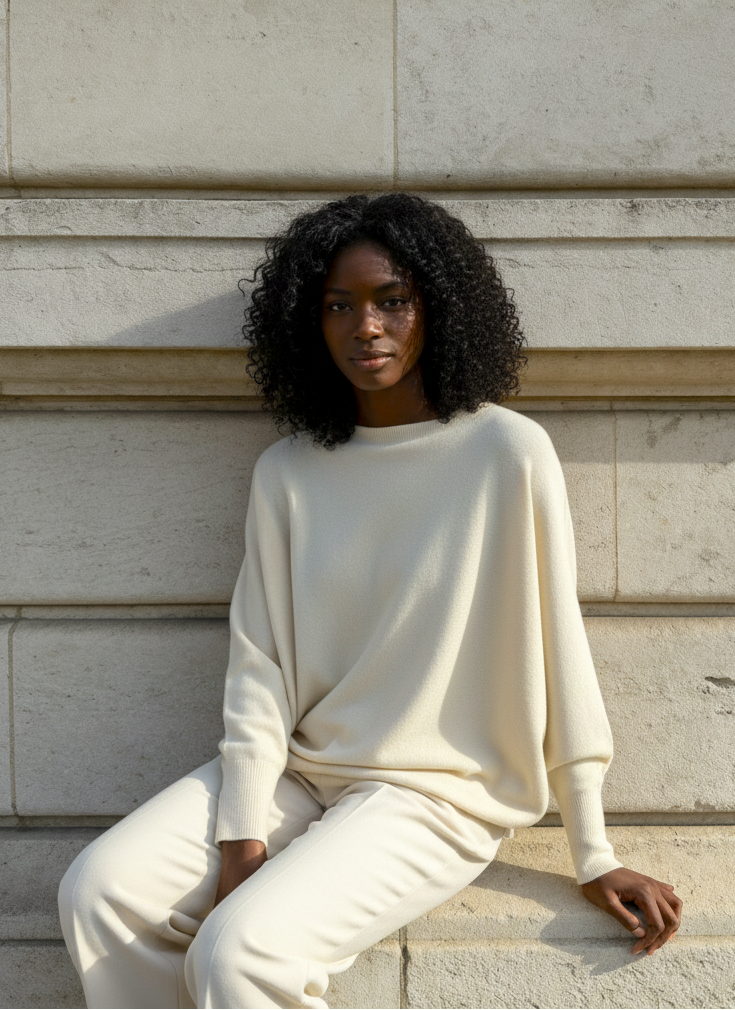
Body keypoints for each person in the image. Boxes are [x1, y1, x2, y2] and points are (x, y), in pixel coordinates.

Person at [58, 193, 682, 1009]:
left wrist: (591, 848)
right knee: (97, 893)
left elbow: (556, 652)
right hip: (304, 770)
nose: (367, 327)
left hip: (436, 794)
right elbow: (259, 668)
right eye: (338, 306)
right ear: (307, 324)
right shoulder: (288, 472)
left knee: (239, 955)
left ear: (435, 308)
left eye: (392, 300)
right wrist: (243, 835)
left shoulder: (505, 452)